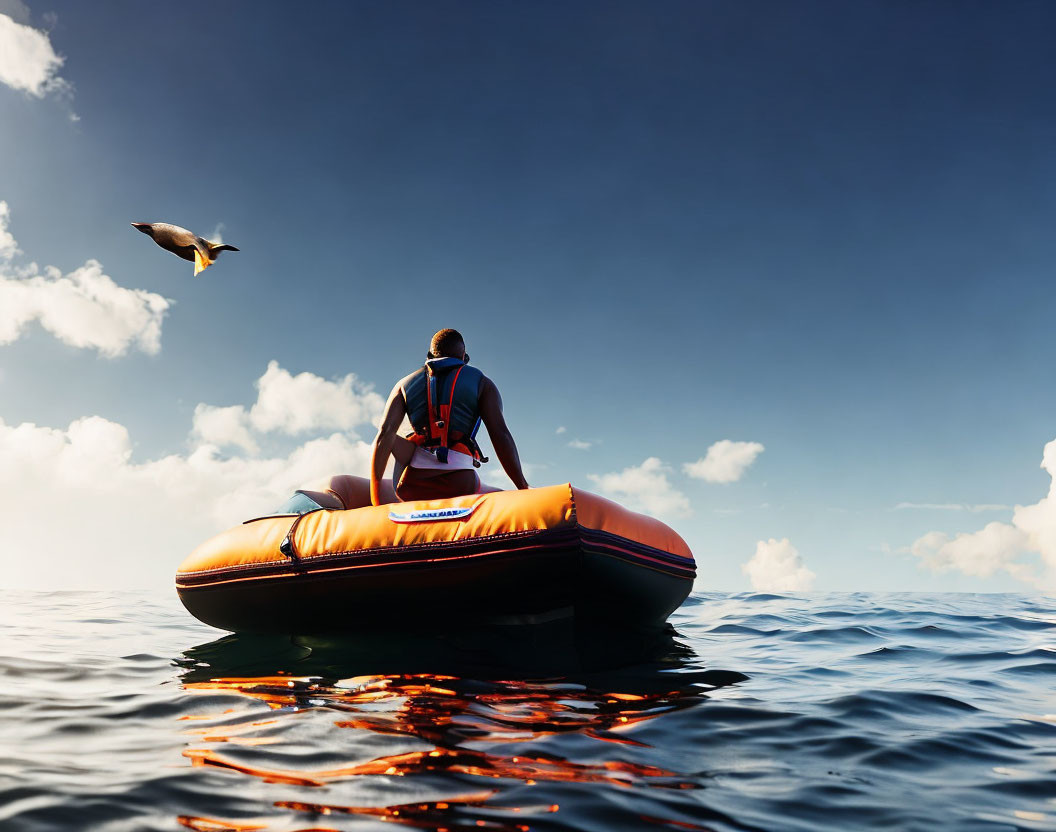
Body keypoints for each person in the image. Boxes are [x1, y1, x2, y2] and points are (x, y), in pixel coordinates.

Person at [370, 328, 529, 505]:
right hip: (460, 483)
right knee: (502, 497)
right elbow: (501, 435)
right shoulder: (482, 383)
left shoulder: (403, 385)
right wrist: (523, 487)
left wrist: (375, 501)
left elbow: (384, 436)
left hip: (411, 487)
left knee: (396, 437)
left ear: (429, 355)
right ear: (464, 357)